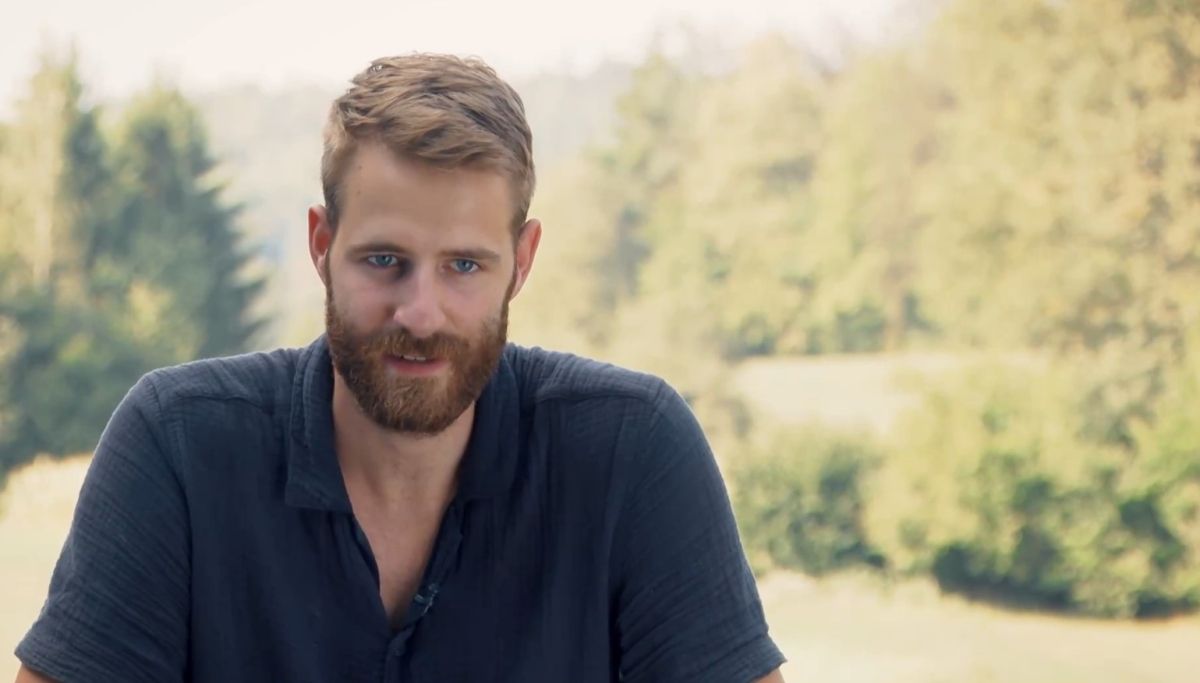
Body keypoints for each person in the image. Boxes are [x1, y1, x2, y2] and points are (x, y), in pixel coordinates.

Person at [14, 53, 786, 683]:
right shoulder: (179, 444)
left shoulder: (633, 450)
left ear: (521, 262)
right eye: (384, 260)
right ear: (322, 246)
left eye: (464, 265)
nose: (420, 312)